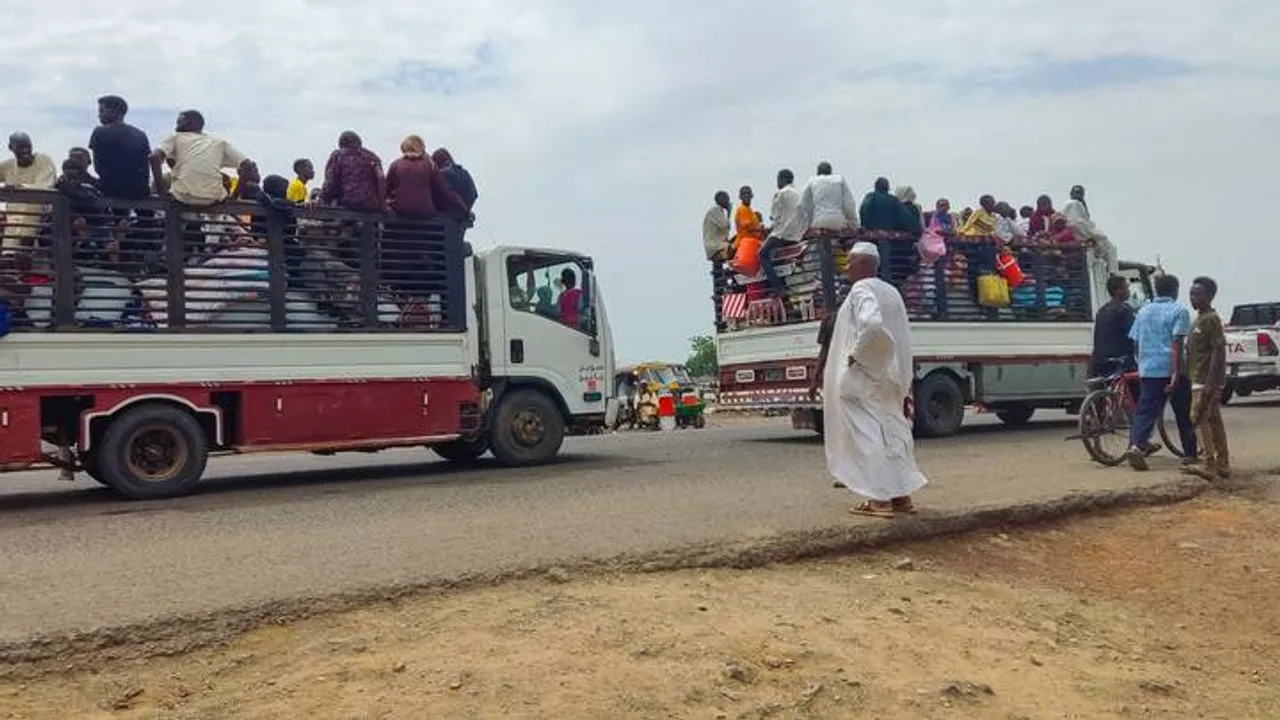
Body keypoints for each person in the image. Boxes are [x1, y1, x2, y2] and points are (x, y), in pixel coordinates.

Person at [823, 242, 927, 518]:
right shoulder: (891, 291)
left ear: (865, 264)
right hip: (891, 375)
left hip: (866, 376)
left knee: (866, 434)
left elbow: (871, 326)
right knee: (892, 431)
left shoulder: (862, 290)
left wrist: (856, 357)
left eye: (851, 261)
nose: (847, 267)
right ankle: (901, 496)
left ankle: (878, 500)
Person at [1126, 273, 1197, 470]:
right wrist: (1175, 373)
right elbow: (1176, 343)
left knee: (1145, 411)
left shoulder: (1143, 311)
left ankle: (1136, 446)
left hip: (1148, 369)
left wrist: (1141, 363)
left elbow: (1136, 341)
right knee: (1184, 413)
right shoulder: (1179, 310)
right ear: (1175, 290)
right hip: (1171, 368)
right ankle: (1190, 454)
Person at [150, 110, 253, 206]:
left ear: (187, 123)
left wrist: (161, 193)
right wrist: (233, 197)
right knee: (223, 182)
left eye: (180, 120)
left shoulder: (176, 137)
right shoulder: (219, 142)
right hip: (214, 198)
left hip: (182, 196)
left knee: (165, 183)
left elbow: (154, 157)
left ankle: (150, 220)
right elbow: (248, 165)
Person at [1184, 276, 1231, 480]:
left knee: (1200, 418)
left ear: (1210, 296)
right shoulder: (1199, 319)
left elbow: (1217, 351)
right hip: (1197, 378)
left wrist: (1211, 383)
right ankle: (1222, 463)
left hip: (1205, 380)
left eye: (1197, 294)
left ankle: (1209, 463)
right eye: (1191, 294)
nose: (1193, 298)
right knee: (1212, 421)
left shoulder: (1211, 319)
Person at [0, 132, 59, 249]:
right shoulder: (8, 165)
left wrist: (17, 187)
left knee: (33, 206)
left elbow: (44, 186)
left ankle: (27, 244)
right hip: (13, 218)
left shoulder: (43, 160)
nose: (26, 150)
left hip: (39, 213)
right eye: (21, 147)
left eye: (28, 146)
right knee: (9, 256)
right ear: (11, 148)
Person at [90, 95, 152, 206]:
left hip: (110, 189)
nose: (99, 115)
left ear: (115, 112)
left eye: (102, 111)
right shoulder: (141, 134)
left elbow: (98, 167)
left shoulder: (99, 132)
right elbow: (145, 168)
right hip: (138, 192)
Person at [1061, 184, 1118, 292]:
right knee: (1110, 247)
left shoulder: (1077, 206)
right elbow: (1080, 224)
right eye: (1076, 192)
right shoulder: (1073, 205)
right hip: (1082, 240)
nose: (1078, 195)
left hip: (1083, 240)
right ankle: (1113, 275)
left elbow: (1085, 222)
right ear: (1071, 194)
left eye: (1080, 193)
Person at [319, 130, 386, 213]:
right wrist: (382, 204)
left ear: (341, 144)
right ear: (359, 142)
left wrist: (321, 198)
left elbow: (330, 182)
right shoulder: (372, 157)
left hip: (347, 203)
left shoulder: (338, 155)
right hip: (371, 205)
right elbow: (381, 178)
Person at [761, 169, 801, 295]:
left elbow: (775, 218)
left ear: (782, 179)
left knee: (762, 254)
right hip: (797, 234)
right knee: (778, 256)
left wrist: (769, 230)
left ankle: (778, 288)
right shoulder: (797, 194)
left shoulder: (780, 194)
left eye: (778, 179)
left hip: (782, 233)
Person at [793, 161, 859, 233]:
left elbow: (801, 205)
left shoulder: (812, 181)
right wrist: (853, 223)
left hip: (819, 222)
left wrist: (804, 225)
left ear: (817, 173)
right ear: (831, 173)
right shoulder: (839, 180)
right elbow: (849, 205)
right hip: (838, 222)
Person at [1091, 275, 1135, 377]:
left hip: (1100, 361)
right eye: (1126, 287)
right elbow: (1134, 336)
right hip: (1120, 362)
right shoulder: (1124, 310)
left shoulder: (1101, 311)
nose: (1129, 291)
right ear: (1118, 291)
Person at [730, 186, 764, 276]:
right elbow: (748, 228)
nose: (746, 196)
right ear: (740, 197)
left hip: (751, 245)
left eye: (748, 193)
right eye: (744, 194)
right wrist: (762, 230)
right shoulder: (742, 209)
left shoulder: (750, 210)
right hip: (744, 246)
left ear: (752, 196)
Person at [703, 191, 732, 262]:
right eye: (727, 199)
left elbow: (726, 230)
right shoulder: (716, 209)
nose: (728, 201)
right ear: (721, 199)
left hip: (717, 244)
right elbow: (724, 225)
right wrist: (729, 212)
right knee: (738, 247)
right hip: (714, 246)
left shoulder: (719, 211)